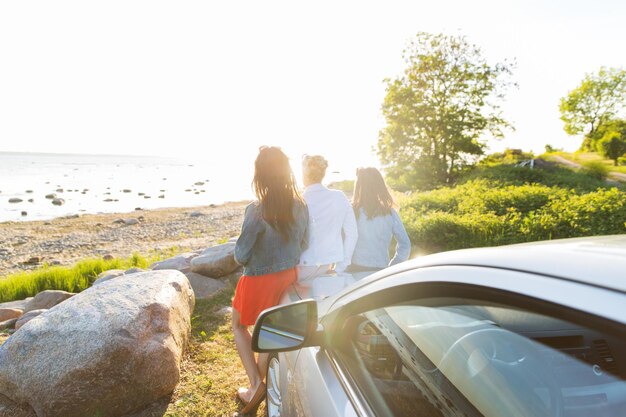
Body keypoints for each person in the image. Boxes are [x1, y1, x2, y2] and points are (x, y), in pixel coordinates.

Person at [231, 146, 308, 413]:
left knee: (239, 326)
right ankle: (256, 385)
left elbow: (240, 255)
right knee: (270, 329)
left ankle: (255, 384)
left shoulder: (256, 210)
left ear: (260, 175)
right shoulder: (300, 205)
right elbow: (304, 243)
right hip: (287, 277)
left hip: (258, 280)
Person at [297, 154, 357, 281]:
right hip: (328, 266)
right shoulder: (339, 197)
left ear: (304, 175)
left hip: (301, 268)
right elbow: (352, 234)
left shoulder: (299, 200)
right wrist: (340, 266)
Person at [349, 167, 410, 272]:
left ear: (359, 186)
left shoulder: (351, 212)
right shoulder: (390, 213)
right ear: (380, 185)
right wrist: (391, 268)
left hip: (354, 273)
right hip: (380, 274)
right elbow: (405, 245)